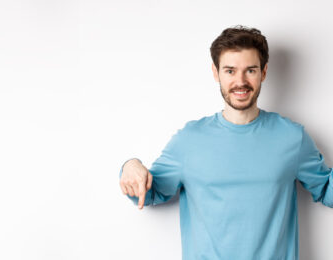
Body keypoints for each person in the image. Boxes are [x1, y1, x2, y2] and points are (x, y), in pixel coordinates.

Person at [118, 25, 333, 260]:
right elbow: (148, 193)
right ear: (215, 72)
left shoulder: (292, 137)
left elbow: (326, 189)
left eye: (250, 70)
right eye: (230, 71)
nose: (240, 81)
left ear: (263, 72)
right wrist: (130, 165)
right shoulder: (189, 141)